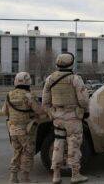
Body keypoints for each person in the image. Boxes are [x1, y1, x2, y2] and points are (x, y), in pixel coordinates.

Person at [42, 53, 90, 184]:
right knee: (74, 145)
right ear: (71, 64)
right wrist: (85, 112)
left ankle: (56, 175)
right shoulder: (75, 79)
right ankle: (75, 175)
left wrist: (53, 113)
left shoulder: (50, 79)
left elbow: (45, 103)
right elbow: (84, 100)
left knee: (58, 145)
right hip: (73, 118)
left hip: (58, 118)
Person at [2, 72, 44, 183]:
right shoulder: (29, 95)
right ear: (29, 82)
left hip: (13, 129)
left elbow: (4, 111)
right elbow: (39, 111)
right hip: (26, 130)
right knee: (27, 152)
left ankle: (13, 177)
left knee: (17, 152)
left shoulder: (9, 95)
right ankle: (25, 178)